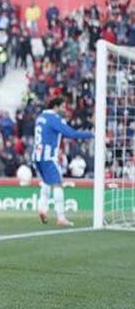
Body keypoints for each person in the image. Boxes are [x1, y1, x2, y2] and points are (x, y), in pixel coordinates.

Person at [32, 95, 93, 226]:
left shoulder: (40, 117)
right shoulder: (54, 119)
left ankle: (42, 208)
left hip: (37, 156)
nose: (65, 109)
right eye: (62, 107)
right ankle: (61, 217)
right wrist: (92, 134)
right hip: (48, 156)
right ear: (55, 107)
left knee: (47, 183)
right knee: (58, 184)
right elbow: (71, 134)